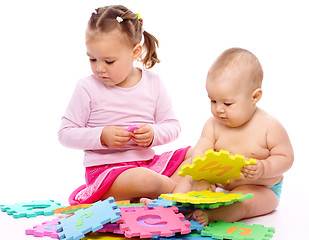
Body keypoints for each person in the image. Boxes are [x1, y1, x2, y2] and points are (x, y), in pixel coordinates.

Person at [58, 5, 191, 205]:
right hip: (107, 174)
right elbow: (65, 134)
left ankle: (156, 196)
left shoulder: (153, 83)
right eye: (92, 59)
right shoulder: (86, 87)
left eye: (109, 61)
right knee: (143, 179)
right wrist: (101, 136)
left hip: (147, 165)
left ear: (135, 52)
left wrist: (153, 133)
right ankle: (184, 194)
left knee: (195, 154)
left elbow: (173, 126)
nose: (99, 68)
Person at [186, 48, 294, 226]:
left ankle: (213, 216)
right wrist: (200, 175)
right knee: (189, 178)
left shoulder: (269, 126)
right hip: (222, 186)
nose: (219, 109)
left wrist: (263, 167)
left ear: (255, 97)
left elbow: (286, 158)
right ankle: (174, 204)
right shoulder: (213, 124)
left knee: (245, 201)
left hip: (262, 189)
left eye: (227, 103)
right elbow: (202, 147)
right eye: (213, 101)